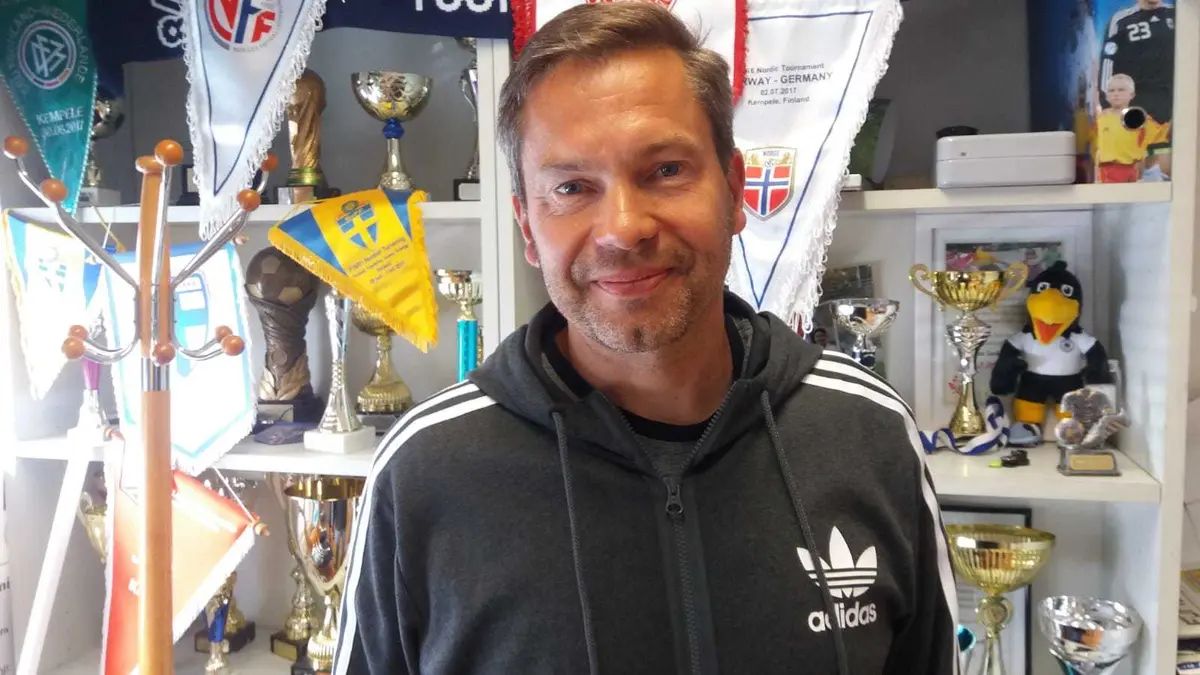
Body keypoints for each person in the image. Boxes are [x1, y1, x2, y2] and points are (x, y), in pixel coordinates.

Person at [332, 4, 961, 674]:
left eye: (665, 170)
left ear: (735, 190)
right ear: (527, 226)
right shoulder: (424, 473)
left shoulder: (867, 432)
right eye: (572, 187)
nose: (623, 228)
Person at [1098, 0, 1174, 176]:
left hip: (1169, 103)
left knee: (1168, 168)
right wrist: (1108, 104)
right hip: (1136, 107)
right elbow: (1108, 62)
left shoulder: (1176, 15)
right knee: (1133, 168)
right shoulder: (1121, 21)